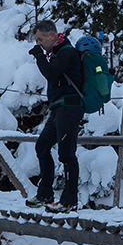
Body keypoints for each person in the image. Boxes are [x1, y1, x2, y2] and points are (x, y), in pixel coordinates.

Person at [26, 20, 85, 211]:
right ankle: (45, 195)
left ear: (52, 35)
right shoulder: (58, 53)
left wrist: (38, 56)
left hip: (70, 107)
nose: (38, 43)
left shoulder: (67, 52)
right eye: (37, 40)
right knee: (42, 146)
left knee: (66, 154)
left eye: (40, 39)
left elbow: (51, 73)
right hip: (58, 108)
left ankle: (69, 201)